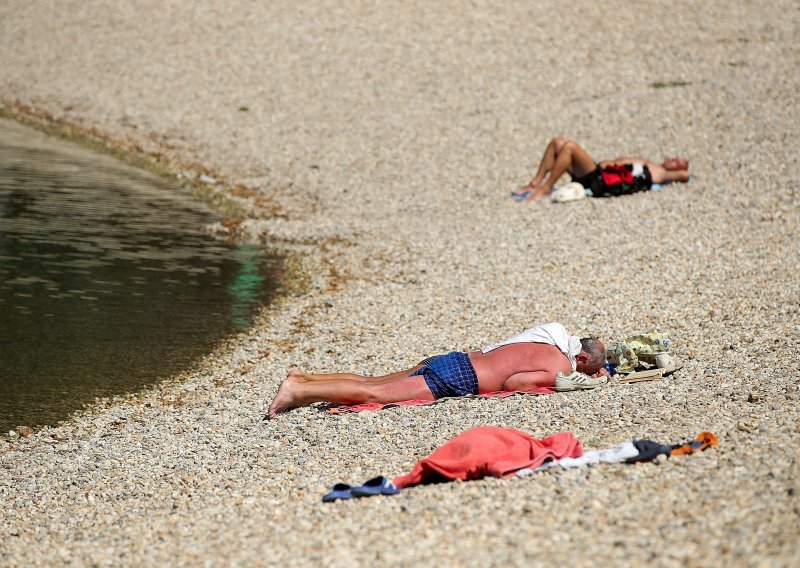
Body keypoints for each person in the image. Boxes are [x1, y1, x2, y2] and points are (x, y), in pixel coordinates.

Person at [266, 322, 608, 418]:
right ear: (580, 361)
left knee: (372, 381)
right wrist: (575, 382)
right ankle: (298, 391)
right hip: (460, 378)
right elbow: (515, 383)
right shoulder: (560, 363)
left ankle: (303, 378)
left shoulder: (551, 338)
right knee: (373, 394)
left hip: (456, 359)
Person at [513, 137, 691, 201]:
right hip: (596, 172)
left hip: (600, 180)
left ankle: (546, 188)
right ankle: (535, 184)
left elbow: (685, 175)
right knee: (556, 142)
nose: (673, 160)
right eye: (675, 158)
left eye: (678, 162)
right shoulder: (649, 162)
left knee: (570, 146)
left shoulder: (661, 174)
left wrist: (680, 173)